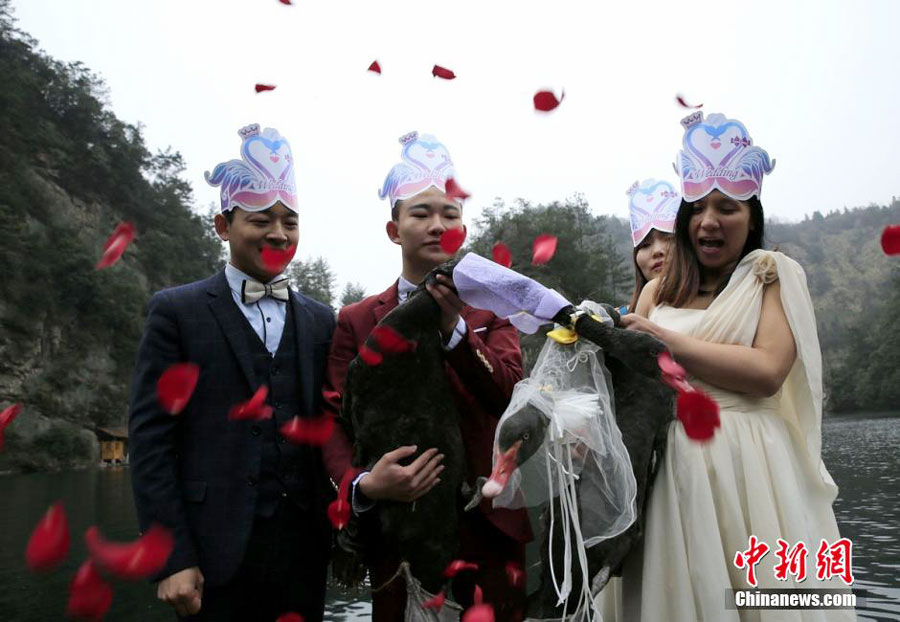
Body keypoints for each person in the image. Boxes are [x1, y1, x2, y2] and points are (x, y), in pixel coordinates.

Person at [598, 112, 856, 621]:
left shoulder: (771, 274)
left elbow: (767, 372)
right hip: (668, 469)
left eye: (727, 208)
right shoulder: (657, 291)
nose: (709, 221)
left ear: (752, 217)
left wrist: (663, 340)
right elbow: (630, 382)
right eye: (697, 209)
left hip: (752, 467)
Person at [321, 131, 532, 621]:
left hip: (488, 528)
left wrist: (454, 328)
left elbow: (507, 394)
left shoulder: (492, 307)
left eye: (451, 215)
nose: (438, 225)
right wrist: (365, 485)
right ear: (394, 230)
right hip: (398, 526)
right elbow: (334, 417)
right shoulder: (357, 319)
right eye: (421, 214)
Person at [129, 124, 336, 622]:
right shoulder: (177, 312)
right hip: (211, 551)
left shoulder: (321, 319)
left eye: (290, 221)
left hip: (306, 551)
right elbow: (152, 438)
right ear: (224, 226)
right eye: (261, 220)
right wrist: (173, 558)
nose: (278, 233)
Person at [625, 178, 678, 311]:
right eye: (645, 245)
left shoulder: (724, 306)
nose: (657, 251)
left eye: (669, 238)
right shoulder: (619, 321)